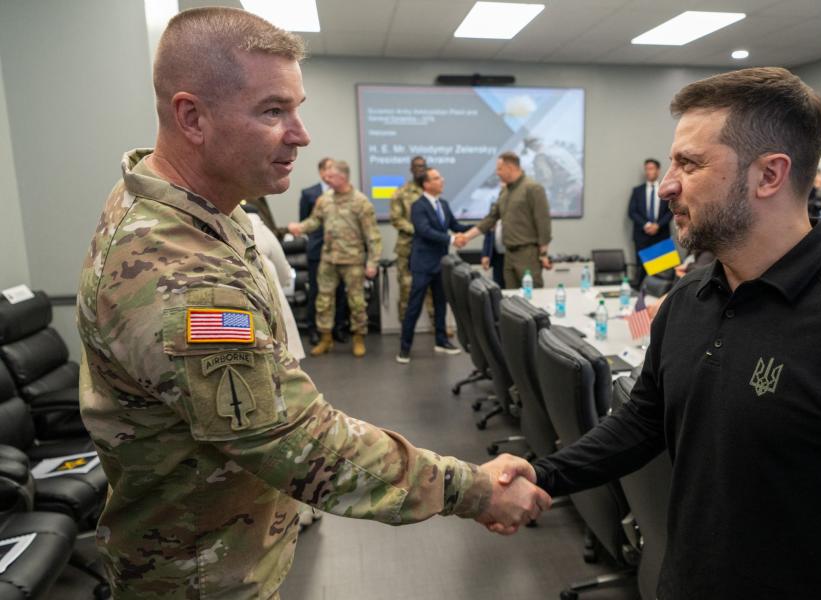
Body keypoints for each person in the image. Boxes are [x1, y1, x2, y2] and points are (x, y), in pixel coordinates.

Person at [76, 8, 548, 598]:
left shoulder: (196, 207)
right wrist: (473, 489)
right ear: (191, 116)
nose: (300, 134)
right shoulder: (181, 272)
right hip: (198, 578)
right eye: (273, 111)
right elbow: (297, 441)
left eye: (296, 108)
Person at [503, 67, 821, 598]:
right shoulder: (689, 300)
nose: (667, 184)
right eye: (672, 161)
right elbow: (642, 421)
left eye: (690, 164)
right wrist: (544, 476)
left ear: (769, 175)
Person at [288, 160, 380, 358]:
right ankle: (325, 339)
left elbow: (372, 235)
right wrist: (300, 227)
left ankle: (358, 338)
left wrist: (372, 262)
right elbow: (314, 221)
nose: (326, 179)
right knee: (323, 301)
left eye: (331, 176)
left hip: (353, 260)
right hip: (328, 259)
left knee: (356, 302)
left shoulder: (361, 202)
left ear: (343, 177)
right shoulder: (325, 199)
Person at [396, 167, 471, 364]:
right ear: (427, 184)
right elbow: (424, 231)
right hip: (422, 264)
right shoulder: (418, 206)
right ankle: (405, 348)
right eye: (437, 178)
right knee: (414, 306)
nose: (442, 180)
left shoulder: (443, 204)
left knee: (440, 304)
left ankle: (441, 341)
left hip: (441, 263)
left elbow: (455, 226)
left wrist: (476, 229)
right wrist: (452, 239)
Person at [457, 152, 552, 288]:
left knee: (532, 300)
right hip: (508, 255)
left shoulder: (533, 188)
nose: (497, 173)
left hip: (527, 255)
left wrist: (544, 254)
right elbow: (491, 219)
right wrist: (466, 237)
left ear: (510, 167)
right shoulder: (505, 191)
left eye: (499, 169)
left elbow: (543, 222)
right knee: (511, 300)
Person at [241, 202, 305, 360]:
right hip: (270, 293)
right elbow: (283, 267)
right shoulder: (261, 229)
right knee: (283, 355)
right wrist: (282, 285)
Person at [298, 157, 349, 345]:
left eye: (334, 169)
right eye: (328, 168)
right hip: (317, 250)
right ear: (321, 172)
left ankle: (338, 328)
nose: (331, 172)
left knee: (340, 291)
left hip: (340, 250)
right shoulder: (309, 193)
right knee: (316, 291)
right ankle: (314, 330)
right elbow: (305, 221)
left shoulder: (344, 192)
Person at [390, 155, 434, 320]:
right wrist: (418, 230)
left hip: (429, 248)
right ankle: (406, 325)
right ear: (411, 169)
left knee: (433, 288)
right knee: (406, 287)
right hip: (407, 247)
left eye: (423, 166)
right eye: (417, 167)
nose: (420, 169)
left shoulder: (431, 190)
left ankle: (437, 325)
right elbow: (396, 218)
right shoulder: (401, 192)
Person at [628, 158, 673, 285]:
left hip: (661, 235)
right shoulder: (637, 191)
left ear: (658, 171)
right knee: (642, 270)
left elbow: (671, 211)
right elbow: (632, 212)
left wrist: (658, 225)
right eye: (646, 169)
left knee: (662, 273)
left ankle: (660, 302)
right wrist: (647, 225)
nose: (648, 172)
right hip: (642, 236)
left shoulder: (666, 189)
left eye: (651, 168)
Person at [481, 220, 506, 288]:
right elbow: (488, 237)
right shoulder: (494, 214)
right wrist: (485, 255)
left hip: (512, 255)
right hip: (497, 256)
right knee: (498, 284)